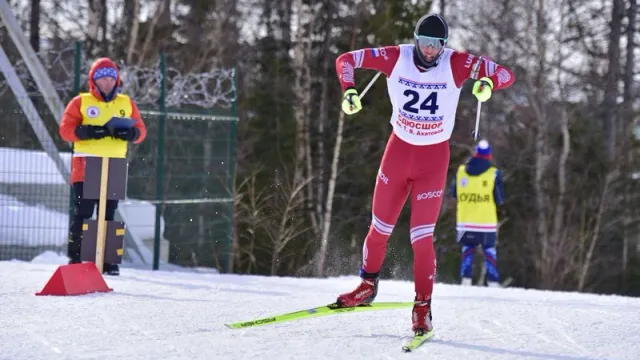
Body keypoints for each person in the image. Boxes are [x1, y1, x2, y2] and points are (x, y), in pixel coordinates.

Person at [333, 13, 515, 335]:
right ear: (415, 39)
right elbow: (346, 60)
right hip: (398, 153)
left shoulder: (456, 63)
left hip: (433, 159)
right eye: (425, 42)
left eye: (437, 45)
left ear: (444, 46)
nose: (430, 51)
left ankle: (422, 308)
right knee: (379, 228)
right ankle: (366, 286)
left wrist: (487, 83)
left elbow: (504, 74)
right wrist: (349, 90)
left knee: (421, 238)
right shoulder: (396, 56)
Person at [59, 57, 147, 276]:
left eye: (110, 78)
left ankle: (108, 261)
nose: (106, 82)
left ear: (116, 80)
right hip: (86, 164)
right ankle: (77, 258)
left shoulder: (126, 103)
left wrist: (132, 133)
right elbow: (65, 129)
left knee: (108, 213)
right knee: (85, 212)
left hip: (115, 164)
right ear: (93, 81)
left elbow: (141, 130)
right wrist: (86, 131)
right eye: (101, 79)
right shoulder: (81, 102)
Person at [450, 140, 505, 287]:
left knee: (467, 249)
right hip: (486, 221)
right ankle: (493, 281)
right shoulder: (493, 174)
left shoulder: (461, 171)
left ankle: (466, 280)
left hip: (465, 220)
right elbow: (499, 199)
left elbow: (454, 193)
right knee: (489, 251)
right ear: (489, 156)